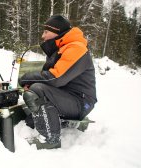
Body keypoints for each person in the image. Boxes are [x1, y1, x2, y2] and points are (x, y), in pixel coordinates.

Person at [19, 15, 97, 149]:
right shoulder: (62, 49)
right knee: (30, 119)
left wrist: (27, 78)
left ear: (57, 32)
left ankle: (50, 139)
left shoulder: (76, 48)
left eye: (46, 32)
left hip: (80, 102)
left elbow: (55, 78)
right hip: (68, 96)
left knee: (38, 89)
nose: (43, 36)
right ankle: (57, 123)